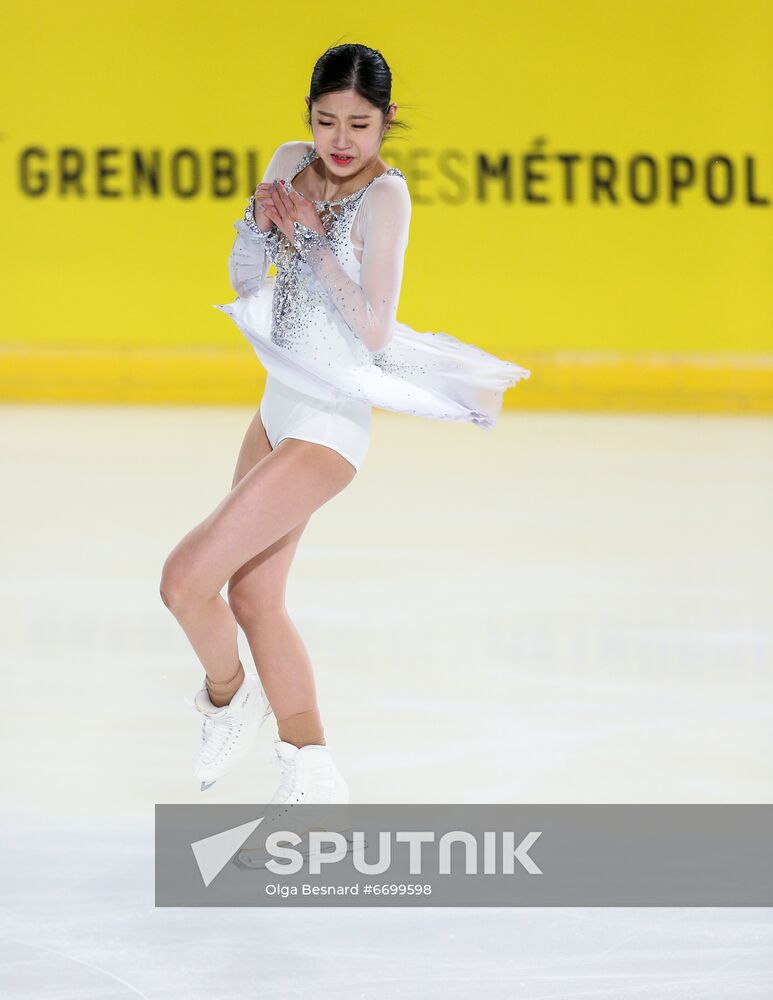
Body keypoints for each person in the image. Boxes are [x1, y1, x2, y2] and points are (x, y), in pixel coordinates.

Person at [160, 43, 530, 807]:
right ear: (307, 115)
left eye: (358, 124)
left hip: (329, 419)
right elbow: (242, 279)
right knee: (255, 598)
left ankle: (229, 699)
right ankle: (310, 766)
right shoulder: (289, 159)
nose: (340, 140)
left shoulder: (386, 199)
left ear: (386, 121)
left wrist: (306, 240)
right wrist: (261, 227)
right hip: (279, 401)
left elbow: (370, 329)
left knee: (184, 580)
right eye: (326, 120)